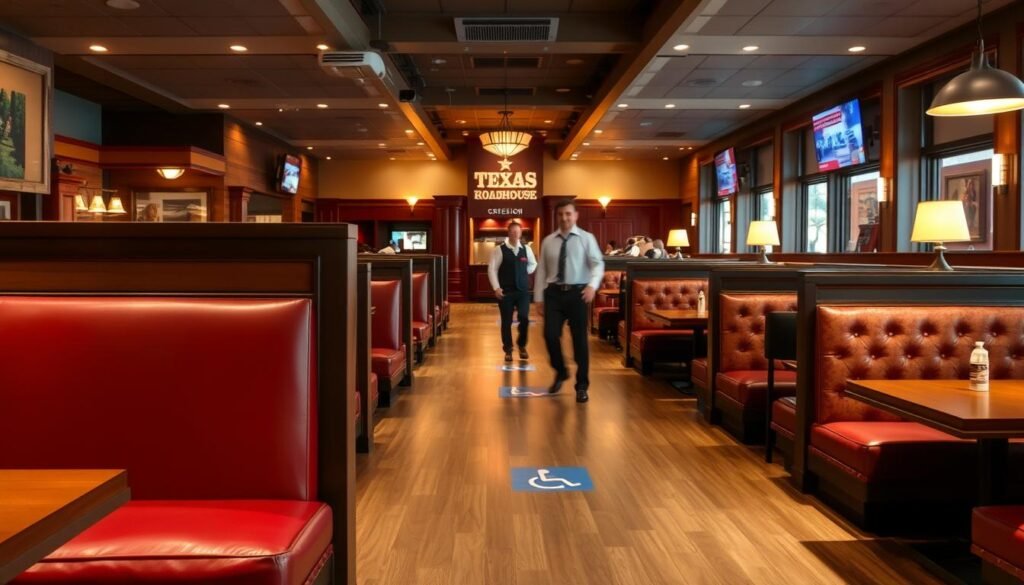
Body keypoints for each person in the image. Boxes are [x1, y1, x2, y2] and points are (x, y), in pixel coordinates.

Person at [535, 200, 605, 403]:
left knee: (579, 341)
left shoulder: (586, 238)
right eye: (560, 214)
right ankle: (561, 371)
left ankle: (581, 385)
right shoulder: (548, 241)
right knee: (550, 335)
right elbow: (541, 270)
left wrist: (592, 285)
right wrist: (538, 298)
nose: (564, 218)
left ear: (575, 215)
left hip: (577, 294)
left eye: (568, 214)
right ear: (556, 216)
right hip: (553, 294)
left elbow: (598, 264)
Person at [487, 221, 538, 362]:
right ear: (508, 233)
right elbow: (492, 269)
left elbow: (533, 264)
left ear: (520, 233)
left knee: (524, 318)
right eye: (513, 231)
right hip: (506, 292)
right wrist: (496, 287)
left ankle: (522, 345)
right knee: (506, 321)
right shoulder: (499, 250)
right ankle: (508, 349)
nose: (515, 234)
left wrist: (524, 273)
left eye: (518, 232)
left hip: (523, 291)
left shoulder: (526, 249)